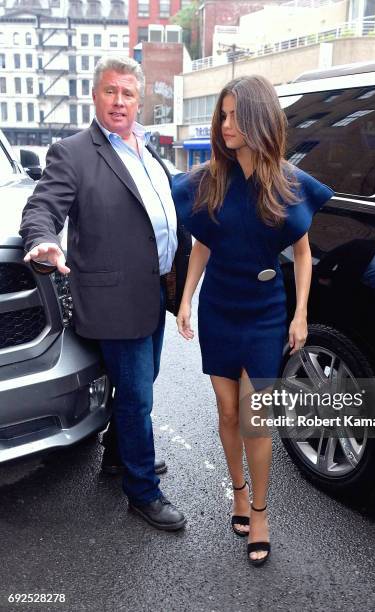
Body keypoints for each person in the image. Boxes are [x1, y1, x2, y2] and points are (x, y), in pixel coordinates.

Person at [19, 56, 191, 531]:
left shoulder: (147, 149)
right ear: (95, 95)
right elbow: (42, 208)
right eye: (110, 91)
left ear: (139, 100)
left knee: (143, 381)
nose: (119, 101)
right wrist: (42, 241)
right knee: (137, 397)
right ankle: (142, 492)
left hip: (156, 290)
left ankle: (119, 455)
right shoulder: (73, 151)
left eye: (128, 93)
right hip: (114, 297)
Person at [172, 75, 333, 565]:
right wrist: (185, 299)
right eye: (222, 115)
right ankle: (238, 491)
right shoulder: (208, 180)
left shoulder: (289, 182)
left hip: (265, 310)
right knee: (226, 412)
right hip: (220, 304)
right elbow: (203, 245)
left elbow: (303, 255)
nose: (225, 125)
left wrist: (301, 313)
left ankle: (260, 511)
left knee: (255, 418)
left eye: (236, 116)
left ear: (260, 119)